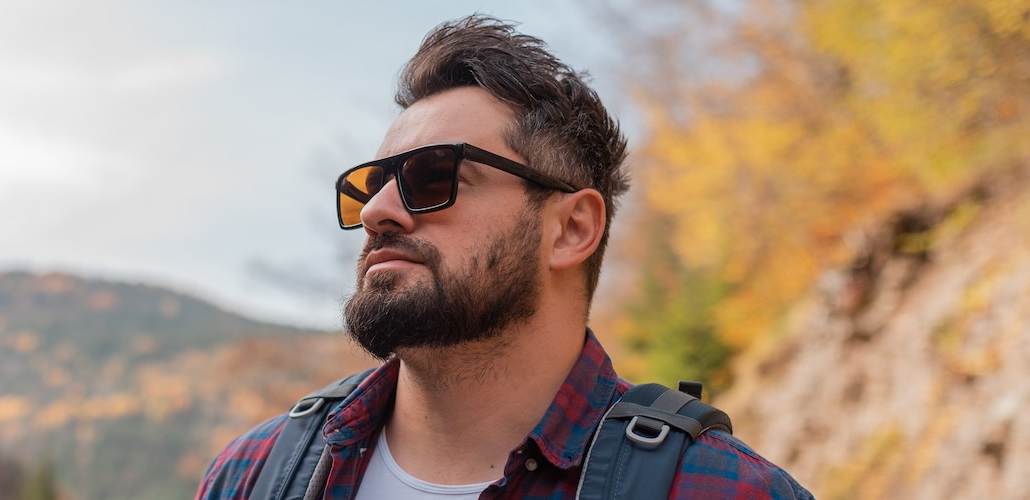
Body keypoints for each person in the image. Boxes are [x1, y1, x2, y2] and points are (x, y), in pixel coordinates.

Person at [197, 15, 812, 500]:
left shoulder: (720, 490)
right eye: (371, 184)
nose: (376, 211)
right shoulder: (251, 475)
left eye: (434, 176)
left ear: (571, 229)